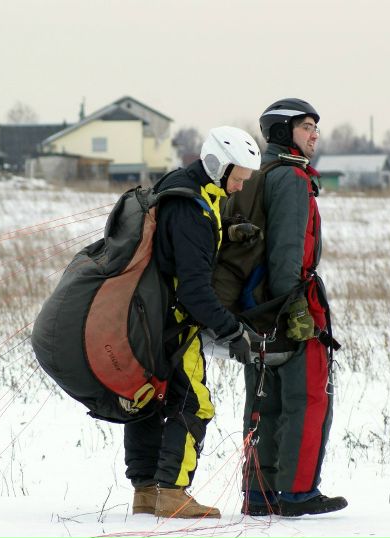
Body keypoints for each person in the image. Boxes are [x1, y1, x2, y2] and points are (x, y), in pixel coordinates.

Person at [126, 126, 262, 519]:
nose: (239, 187)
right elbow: (195, 292)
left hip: (148, 319)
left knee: (149, 402)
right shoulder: (194, 210)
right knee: (195, 404)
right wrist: (233, 331)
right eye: (237, 178)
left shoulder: (182, 184)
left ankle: (146, 492)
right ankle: (172, 491)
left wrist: (229, 232)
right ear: (219, 165)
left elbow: (178, 246)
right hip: (174, 324)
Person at [241, 98, 347, 517]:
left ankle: (259, 494)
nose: (315, 135)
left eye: (316, 128)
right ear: (284, 132)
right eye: (306, 127)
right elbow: (288, 248)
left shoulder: (258, 173)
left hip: (254, 305)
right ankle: (297, 493)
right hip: (288, 301)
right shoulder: (290, 179)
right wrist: (293, 306)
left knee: (263, 399)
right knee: (307, 397)